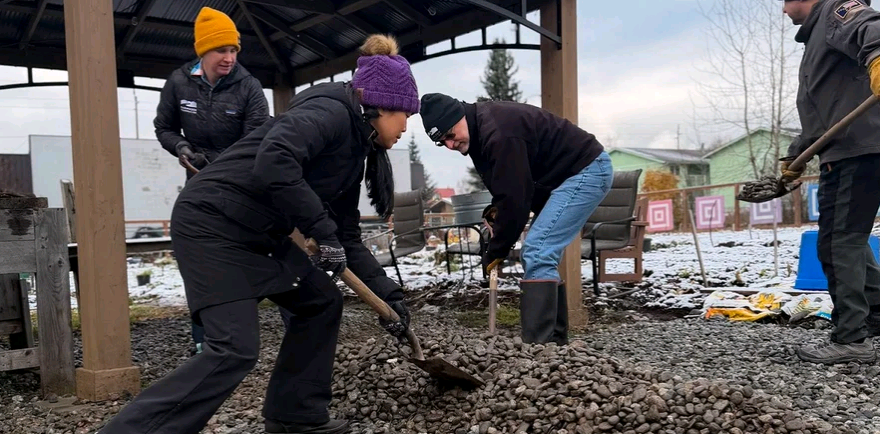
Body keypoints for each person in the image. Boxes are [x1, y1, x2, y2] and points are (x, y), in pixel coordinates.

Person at [98, 34, 420, 434]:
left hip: (261, 235)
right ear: (381, 105)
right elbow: (275, 159)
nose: (407, 126)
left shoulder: (355, 147)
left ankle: (295, 416)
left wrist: (389, 296)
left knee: (320, 303)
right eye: (407, 114)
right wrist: (323, 233)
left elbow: (346, 235)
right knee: (233, 347)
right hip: (214, 225)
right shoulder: (328, 113)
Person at [419, 94, 613, 345]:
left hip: (585, 171)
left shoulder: (498, 133)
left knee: (537, 250)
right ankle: (554, 346)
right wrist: (499, 212)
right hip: (563, 178)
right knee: (542, 252)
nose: (449, 145)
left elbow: (516, 200)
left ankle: (539, 349)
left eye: (450, 135)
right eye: (441, 142)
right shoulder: (480, 132)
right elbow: (509, 189)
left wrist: (496, 249)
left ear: (460, 117)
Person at [153, 6, 271, 355]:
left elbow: (258, 140)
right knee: (200, 260)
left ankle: (245, 329)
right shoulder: (178, 82)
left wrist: (218, 162)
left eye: (234, 50)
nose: (229, 57)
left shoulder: (249, 88)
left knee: (246, 254)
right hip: (198, 184)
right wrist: (182, 147)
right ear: (203, 51)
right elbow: (164, 128)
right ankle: (204, 338)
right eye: (222, 50)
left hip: (241, 185)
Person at [780, 0, 880, 364]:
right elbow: (825, 116)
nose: (783, 9)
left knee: (839, 243)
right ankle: (874, 312)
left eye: (787, 0)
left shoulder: (838, 11)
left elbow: (872, 28)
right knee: (846, 240)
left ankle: (851, 338)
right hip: (847, 151)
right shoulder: (818, 40)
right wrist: (794, 157)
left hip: (859, 150)